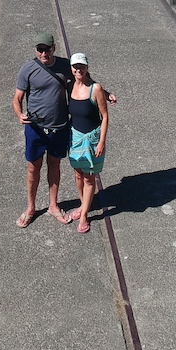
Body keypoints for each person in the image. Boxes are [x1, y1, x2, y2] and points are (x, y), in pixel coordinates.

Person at [13, 31, 73, 227]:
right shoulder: (27, 69)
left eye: (46, 49)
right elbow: (17, 99)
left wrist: (105, 95)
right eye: (39, 50)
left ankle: (53, 205)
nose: (43, 54)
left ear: (53, 48)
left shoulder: (65, 65)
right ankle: (31, 207)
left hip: (59, 127)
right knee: (33, 167)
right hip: (36, 128)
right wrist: (19, 114)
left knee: (55, 165)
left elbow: (85, 81)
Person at [66, 53, 109, 234]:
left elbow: (105, 116)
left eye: (81, 66)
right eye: (75, 67)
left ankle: (84, 215)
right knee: (78, 174)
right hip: (75, 138)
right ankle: (84, 205)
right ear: (71, 68)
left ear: (87, 67)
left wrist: (101, 142)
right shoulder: (70, 86)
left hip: (91, 139)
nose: (78, 70)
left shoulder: (96, 88)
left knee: (89, 178)